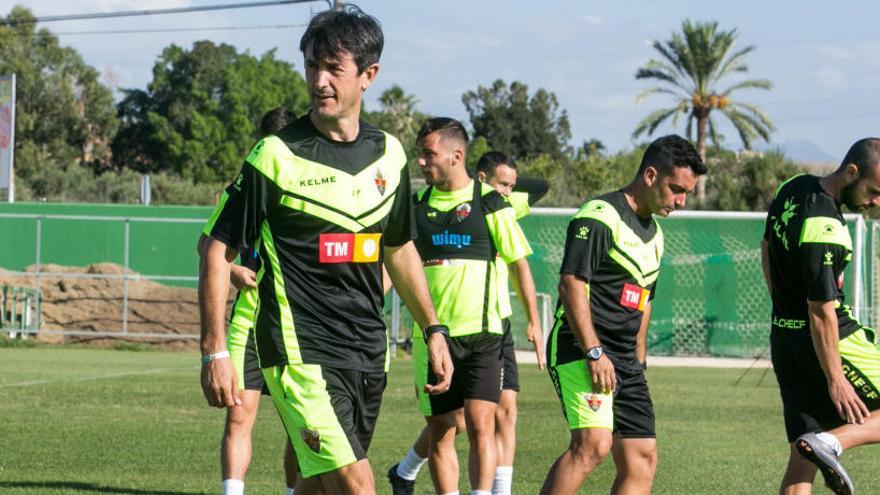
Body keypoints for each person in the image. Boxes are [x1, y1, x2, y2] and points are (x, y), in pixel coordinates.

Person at [198, 7, 453, 495]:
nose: (320, 80)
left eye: (334, 68)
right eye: (313, 66)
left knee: (319, 486)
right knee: (358, 485)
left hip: (366, 351)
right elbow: (215, 250)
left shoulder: (391, 155)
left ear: (368, 75)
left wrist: (433, 328)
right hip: (298, 352)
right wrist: (214, 351)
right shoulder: (274, 155)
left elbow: (398, 250)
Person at [540, 135, 704, 495]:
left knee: (641, 457)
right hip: (581, 347)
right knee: (593, 446)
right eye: (676, 189)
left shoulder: (656, 234)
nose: (680, 201)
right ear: (649, 175)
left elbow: (643, 303)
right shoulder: (599, 216)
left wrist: (638, 364)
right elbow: (571, 284)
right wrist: (594, 352)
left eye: (686, 193)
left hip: (625, 360)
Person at [387, 151, 547, 495]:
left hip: (493, 325)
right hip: (443, 329)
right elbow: (395, 259)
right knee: (452, 422)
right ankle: (407, 468)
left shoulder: (500, 204)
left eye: (513, 186)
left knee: (497, 415)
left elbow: (542, 187)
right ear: (483, 176)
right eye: (503, 183)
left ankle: (494, 491)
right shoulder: (427, 206)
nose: (509, 191)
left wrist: (498, 188)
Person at [761, 138, 880, 495]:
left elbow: (766, 248)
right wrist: (836, 378)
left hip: (785, 339)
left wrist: (784, 305)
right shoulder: (826, 227)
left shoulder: (791, 187)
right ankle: (833, 442)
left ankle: (822, 443)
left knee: (803, 453)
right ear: (851, 172)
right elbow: (821, 312)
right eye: (874, 191)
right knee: (820, 444)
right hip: (831, 341)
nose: (877, 202)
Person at [198, 107, 299, 495]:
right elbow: (206, 244)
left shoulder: (310, 187)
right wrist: (236, 271)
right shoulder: (244, 188)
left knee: (302, 426)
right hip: (251, 322)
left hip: (297, 325)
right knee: (239, 418)